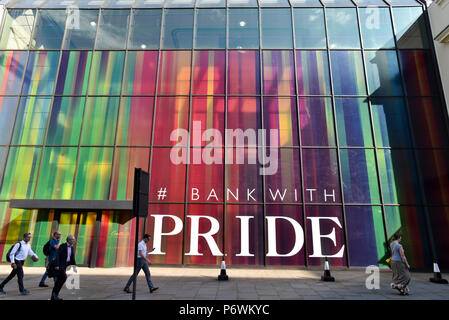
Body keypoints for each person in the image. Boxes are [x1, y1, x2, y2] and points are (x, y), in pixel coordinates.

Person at [51, 235, 76, 300]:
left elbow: (72, 258)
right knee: (63, 278)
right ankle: (54, 295)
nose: (74, 241)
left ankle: (54, 295)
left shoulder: (72, 247)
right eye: (73, 239)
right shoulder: (63, 246)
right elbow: (57, 255)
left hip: (65, 265)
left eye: (74, 239)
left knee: (59, 281)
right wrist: (57, 265)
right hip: (60, 265)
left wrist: (74, 267)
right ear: (69, 240)